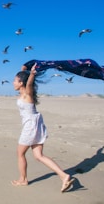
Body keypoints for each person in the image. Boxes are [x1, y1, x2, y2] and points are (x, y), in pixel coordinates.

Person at [11, 63, 75, 192]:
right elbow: (26, 79)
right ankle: (64, 176)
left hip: (30, 126)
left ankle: (23, 180)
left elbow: (28, 84)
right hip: (36, 124)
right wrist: (25, 69)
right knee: (39, 156)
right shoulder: (26, 93)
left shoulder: (27, 94)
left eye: (15, 81)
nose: (13, 83)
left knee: (20, 153)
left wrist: (32, 74)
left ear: (21, 83)